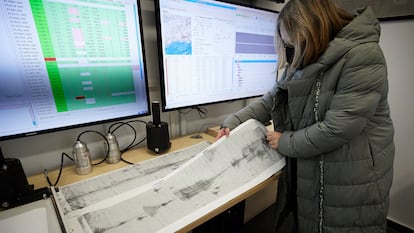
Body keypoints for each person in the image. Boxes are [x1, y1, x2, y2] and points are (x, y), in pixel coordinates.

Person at [216, 0, 395, 232]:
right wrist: (232, 123)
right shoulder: (306, 57)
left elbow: (337, 128)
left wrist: (284, 141)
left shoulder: (363, 55)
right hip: (314, 171)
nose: (290, 51)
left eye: (293, 42)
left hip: (352, 176)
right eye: (286, 44)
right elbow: (270, 102)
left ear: (313, 31)